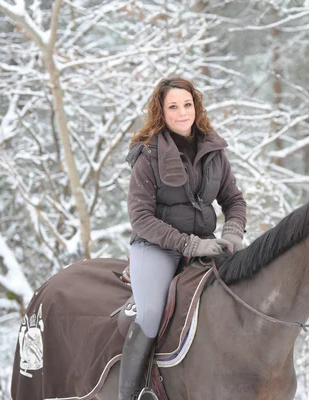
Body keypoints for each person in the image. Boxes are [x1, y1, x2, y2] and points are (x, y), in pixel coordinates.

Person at [119, 77, 247, 400]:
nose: (182, 112)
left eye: (187, 105)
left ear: (196, 106)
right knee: (150, 313)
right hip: (156, 247)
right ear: (161, 111)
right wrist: (190, 244)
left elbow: (234, 201)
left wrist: (231, 234)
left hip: (206, 244)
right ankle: (134, 392)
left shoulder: (213, 150)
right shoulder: (147, 154)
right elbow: (141, 218)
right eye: (173, 106)